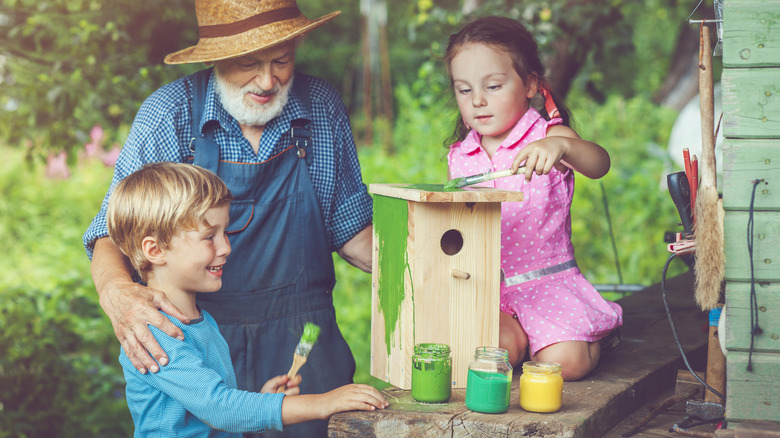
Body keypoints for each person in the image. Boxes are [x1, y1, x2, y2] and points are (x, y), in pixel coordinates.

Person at [83, 1, 374, 435]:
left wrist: (435, 266)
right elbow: (113, 232)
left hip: (302, 336)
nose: (268, 80)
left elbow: (353, 230)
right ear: (215, 57)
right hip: (201, 322)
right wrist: (117, 293)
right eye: (247, 63)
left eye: (282, 60)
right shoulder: (171, 113)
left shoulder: (321, 106)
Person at [106, 162, 387, 436]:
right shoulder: (155, 335)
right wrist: (323, 403)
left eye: (225, 232)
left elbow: (212, 413)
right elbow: (219, 408)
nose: (226, 247)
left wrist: (260, 399)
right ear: (155, 250)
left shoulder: (203, 321)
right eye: (209, 237)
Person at [444, 16, 623, 381]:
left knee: (565, 365)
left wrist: (562, 146)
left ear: (529, 85)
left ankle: (587, 336)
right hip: (491, 291)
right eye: (464, 90)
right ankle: (525, 339)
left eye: (493, 86)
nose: (477, 100)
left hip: (546, 285)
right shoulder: (460, 156)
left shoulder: (549, 136)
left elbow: (599, 164)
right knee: (487, 353)